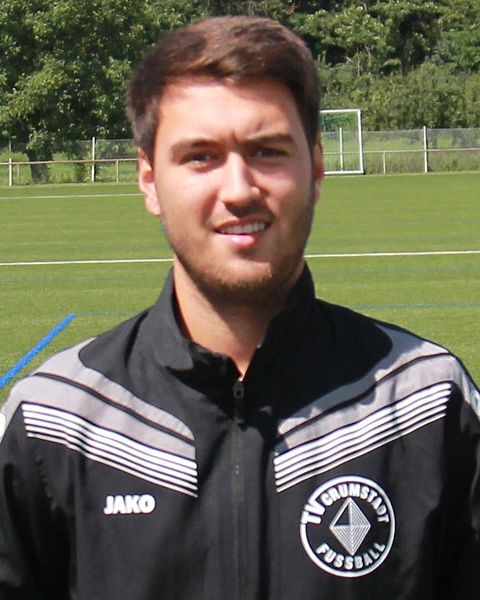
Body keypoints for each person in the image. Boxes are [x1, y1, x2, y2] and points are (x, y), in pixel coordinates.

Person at [0, 15, 479, 600]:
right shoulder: (56, 422)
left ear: (316, 168)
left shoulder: (427, 403)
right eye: (200, 156)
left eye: (268, 151)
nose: (239, 190)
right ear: (149, 180)